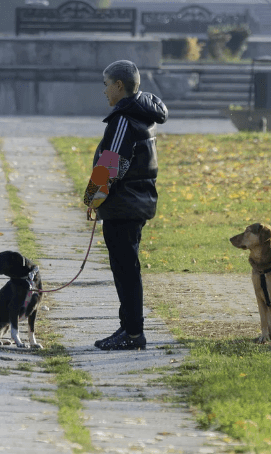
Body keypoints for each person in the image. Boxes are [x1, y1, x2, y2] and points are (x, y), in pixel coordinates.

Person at [83, 60, 168, 351]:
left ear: (119, 86)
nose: (104, 91)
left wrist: (92, 199)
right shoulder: (141, 114)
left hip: (124, 207)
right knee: (126, 269)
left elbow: (110, 166)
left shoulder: (123, 120)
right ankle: (128, 329)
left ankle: (133, 333)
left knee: (126, 271)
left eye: (106, 84)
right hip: (133, 204)